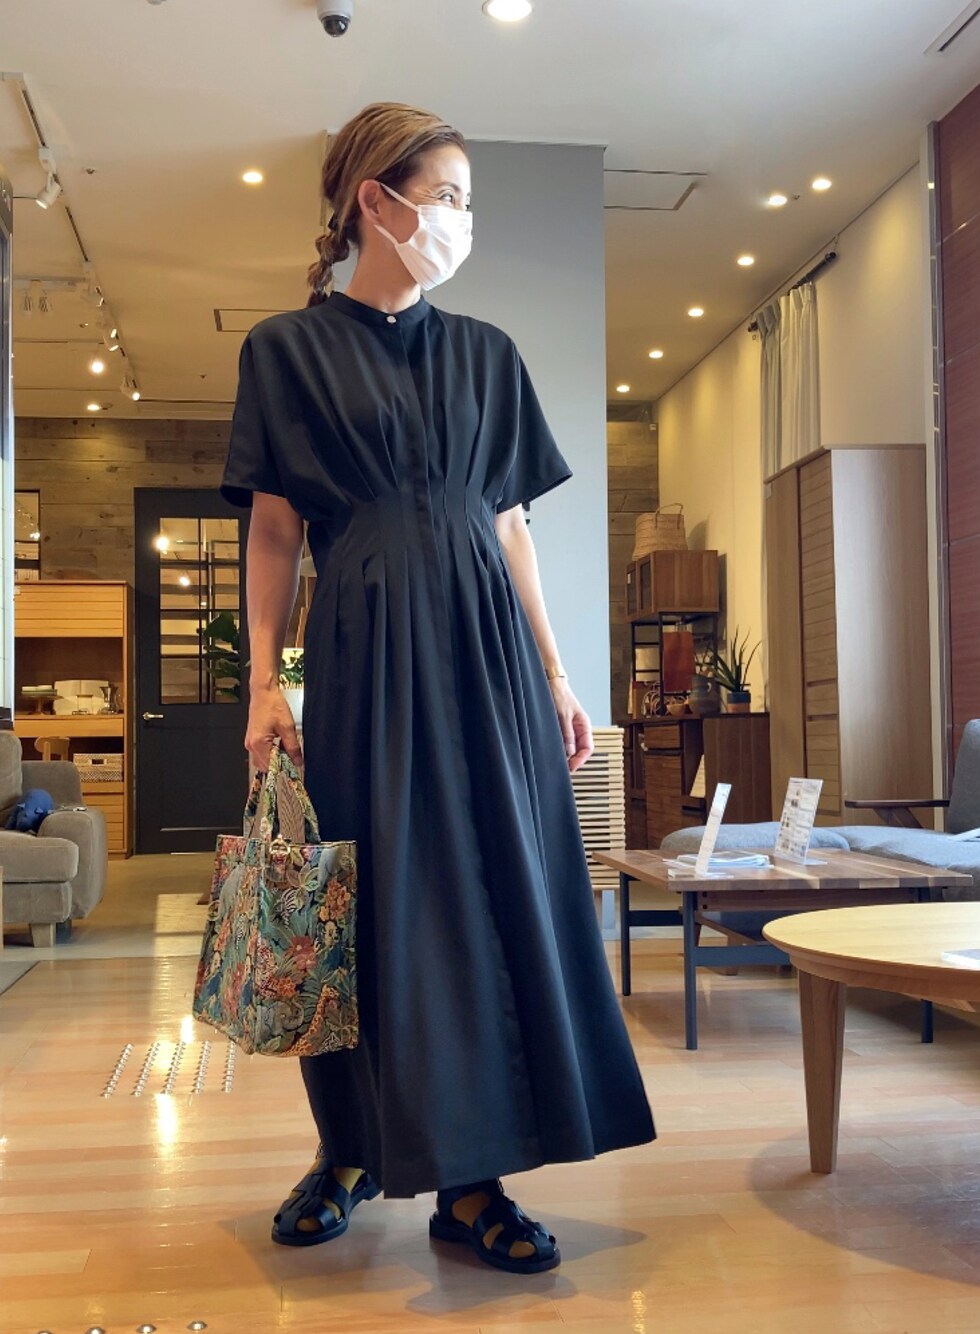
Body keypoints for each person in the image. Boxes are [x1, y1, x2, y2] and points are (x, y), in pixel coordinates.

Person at [219, 101, 655, 1275]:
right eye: (448, 196)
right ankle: (349, 1148)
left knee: (494, 892)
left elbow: (509, 526)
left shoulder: (487, 354)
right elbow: (273, 530)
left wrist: (558, 672)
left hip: (487, 657)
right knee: (362, 902)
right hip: (362, 648)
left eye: (466, 200)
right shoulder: (285, 350)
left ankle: (472, 1183)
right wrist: (264, 684)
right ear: (377, 201)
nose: (462, 219)